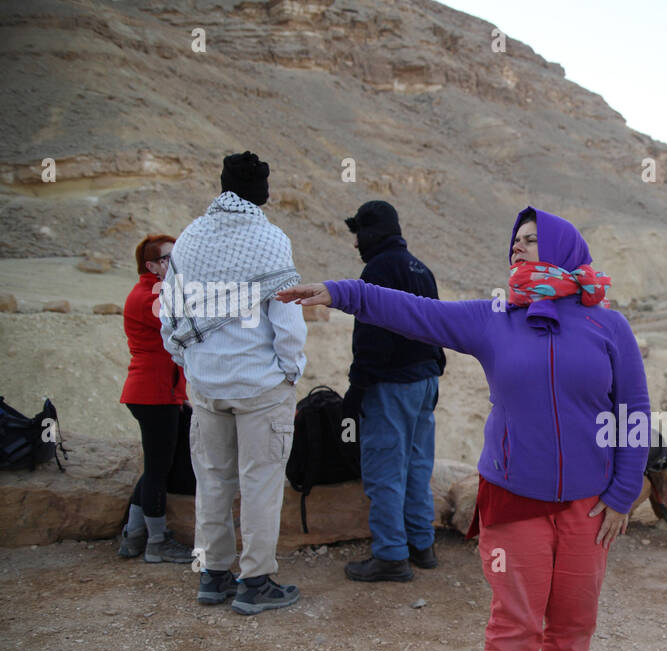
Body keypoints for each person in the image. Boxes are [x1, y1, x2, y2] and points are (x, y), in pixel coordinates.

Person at [277, 207, 650, 651]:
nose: (520, 251)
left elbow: (633, 411)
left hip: (588, 505)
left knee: (574, 620)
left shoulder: (610, 327)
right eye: (515, 242)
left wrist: (625, 491)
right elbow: (415, 312)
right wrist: (341, 292)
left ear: (565, 249)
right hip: (513, 500)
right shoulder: (496, 318)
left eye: (532, 241)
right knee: (517, 621)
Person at [160, 151, 307, 615]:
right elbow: (287, 320)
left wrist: (190, 361)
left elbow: (170, 315)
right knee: (260, 482)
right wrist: (290, 371)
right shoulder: (270, 240)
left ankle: (213, 574)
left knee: (213, 481)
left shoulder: (188, 240)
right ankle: (256, 581)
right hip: (260, 386)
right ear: (260, 193)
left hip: (206, 386)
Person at [339, 201, 446, 582]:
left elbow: (373, 338)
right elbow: (437, 323)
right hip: (425, 381)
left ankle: (390, 555)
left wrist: (356, 389)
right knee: (418, 466)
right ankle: (422, 545)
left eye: (358, 235)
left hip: (392, 385)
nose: (356, 244)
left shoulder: (378, 270)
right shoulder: (421, 268)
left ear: (372, 232)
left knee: (385, 468)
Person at [118, 232, 192, 563]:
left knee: (155, 466)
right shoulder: (150, 293)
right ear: (151, 265)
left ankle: (133, 536)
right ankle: (157, 542)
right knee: (158, 469)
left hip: (155, 392)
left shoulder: (150, 290)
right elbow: (179, 323)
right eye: (167, 259)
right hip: (154, 394)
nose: (173, 263)